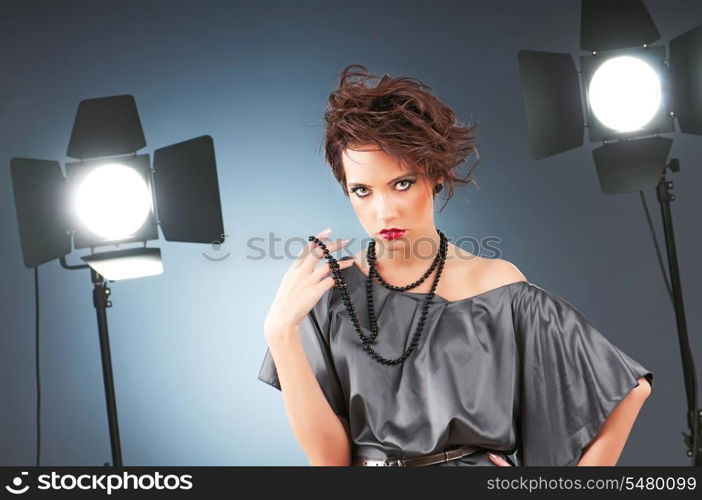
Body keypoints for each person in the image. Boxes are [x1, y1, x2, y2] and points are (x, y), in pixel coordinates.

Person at [257, 64, 654, 466]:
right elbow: (329, 462)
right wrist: (280, 331)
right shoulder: (331, 293)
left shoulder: (497, 288)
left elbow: (628, 391)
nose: (383, 211)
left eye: (402, 183)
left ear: (436, 176)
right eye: (362, 191)